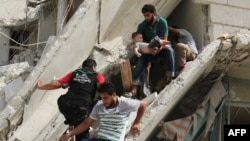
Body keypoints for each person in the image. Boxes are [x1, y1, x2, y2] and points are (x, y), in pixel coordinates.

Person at [37, 58, 105, 141]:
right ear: (94, 67)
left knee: (61, 100)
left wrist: (41, 87)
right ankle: (74, 124)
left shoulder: (74, 73)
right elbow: (103, 88)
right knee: (82, 133)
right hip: (82, 109)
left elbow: (56, 84)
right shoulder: (97, 75)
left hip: (65, 105)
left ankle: (70, 122)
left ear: (83, 67)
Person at [59, 82, 147, 141]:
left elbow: (143, 105)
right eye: (101, 98)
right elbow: (87, 123)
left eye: (106, 98)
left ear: (113, 95)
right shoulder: (99, 105)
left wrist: (136, 123)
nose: (103, 101)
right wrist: (69, 134)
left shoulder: (125, 103)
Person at [131, 4, 175, 95]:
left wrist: (158, 50)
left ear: (154, 13)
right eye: (144, 15)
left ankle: (169, 77)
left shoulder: (163, 22)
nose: (146, 18)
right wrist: (148, 50)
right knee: (141, 60)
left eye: (148, 15)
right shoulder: (142, 26)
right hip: (148, 51)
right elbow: (139, 43)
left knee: (170, 50)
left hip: (161, 49)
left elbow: (165, 40)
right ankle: (134, 87)